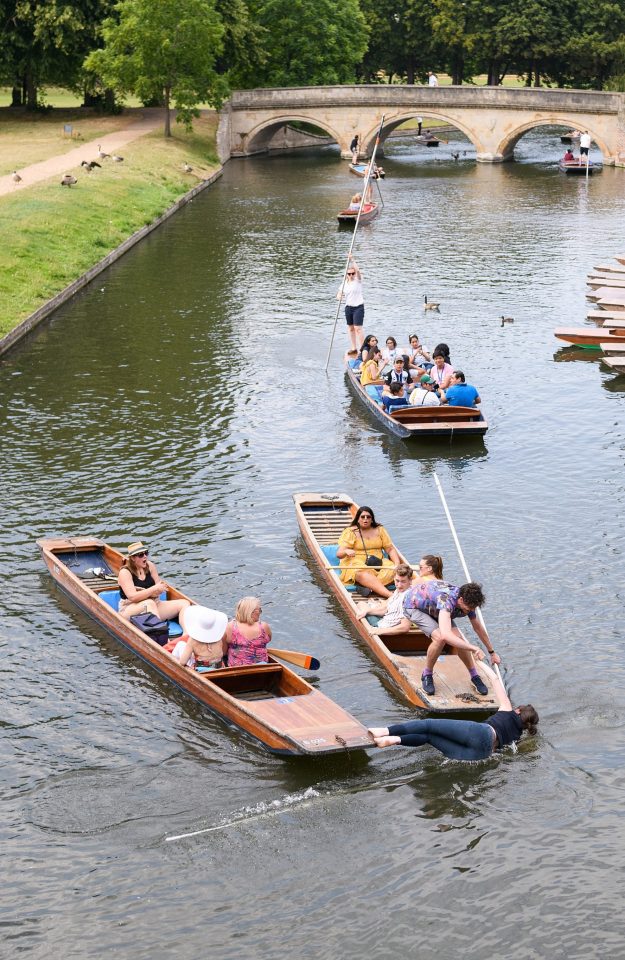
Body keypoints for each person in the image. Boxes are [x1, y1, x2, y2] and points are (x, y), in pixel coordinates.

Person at [368, 662, 539, 760]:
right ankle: (394, 740)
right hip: (480, 754)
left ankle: (385, 731)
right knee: (428, 738)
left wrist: (476, 661)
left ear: (518, 711)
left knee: (428, 725)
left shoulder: (508, 709)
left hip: (481, 733)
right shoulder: (516, 738)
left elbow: (494, 678)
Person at [400, 580, 501, 696]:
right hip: (414, 606)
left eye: (473, 609)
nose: (470, 611)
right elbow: (446, 635)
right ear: (461, 600)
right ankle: (427, 674)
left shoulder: (468, 602)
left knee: (459, 639)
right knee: (440, 638)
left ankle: (474, 675)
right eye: (468, 609)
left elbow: (477, 627)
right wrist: (474, 648)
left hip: (436, 608)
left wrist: (492, 652)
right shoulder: (446, 600)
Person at [118, 541, 190, 630]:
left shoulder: (150, 566)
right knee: (149, 603)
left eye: (146, 553)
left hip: (154, 605)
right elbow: (133, 597)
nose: (145, 556)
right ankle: (162, 636)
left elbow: (158, 589)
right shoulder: (125, 572)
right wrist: (154, 589)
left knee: (184, 603)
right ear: (133, 558)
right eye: (140, 555)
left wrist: (159, 589)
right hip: (130, 609)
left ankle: (186, 634)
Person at [337, 505, 401, 598]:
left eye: (368, 517)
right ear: (358, 519)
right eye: (362, 517)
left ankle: (368, 585)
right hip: (355, 562)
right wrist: (346, 551)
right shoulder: (350, 532)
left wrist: (397, 564)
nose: (365, 519)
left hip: (377, 562)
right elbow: (339, 554)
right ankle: (390, 595)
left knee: (392, 569)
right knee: (360, 572)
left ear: (372, 519)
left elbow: (390, 549)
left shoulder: (380, 529)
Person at [357, 563, 414, 635]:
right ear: (394, 579)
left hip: (382, 628)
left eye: (403, 581)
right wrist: (367, 611)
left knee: (361, 605)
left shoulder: (409, 599)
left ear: (410, 581)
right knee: (363, 606)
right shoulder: (399, 591)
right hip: (384, 621)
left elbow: (405, 627)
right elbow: (385, 610)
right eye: (397, 581)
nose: (399, 585)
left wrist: (378, 631)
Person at [171, 605, 228, 670]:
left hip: (201, 670)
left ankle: (172, 666)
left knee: (180, 644)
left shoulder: (193, 640)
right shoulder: (219, 637)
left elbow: (183, 662)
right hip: (218, 667)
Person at [225, 597, 272, 666]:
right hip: (262, 668)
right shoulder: (264, 626)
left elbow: (224, 650)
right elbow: (269, 639)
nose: (260, 613)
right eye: (259, 610)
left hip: (236, 668)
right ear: (251, 611)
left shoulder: (230, 627)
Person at [337, 254, 365, 351]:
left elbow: (358, 271)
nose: (351, 275)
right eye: (349, 274)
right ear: (346, 275)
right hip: (348, 308)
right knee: (351, 328)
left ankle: (362, 348)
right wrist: (339, 296)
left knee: (358, 328)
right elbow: (339, 294)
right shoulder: (344, 284)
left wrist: (352, 259)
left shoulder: (358, 281)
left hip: (358, 307)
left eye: (352, 273)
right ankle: (353, 347)